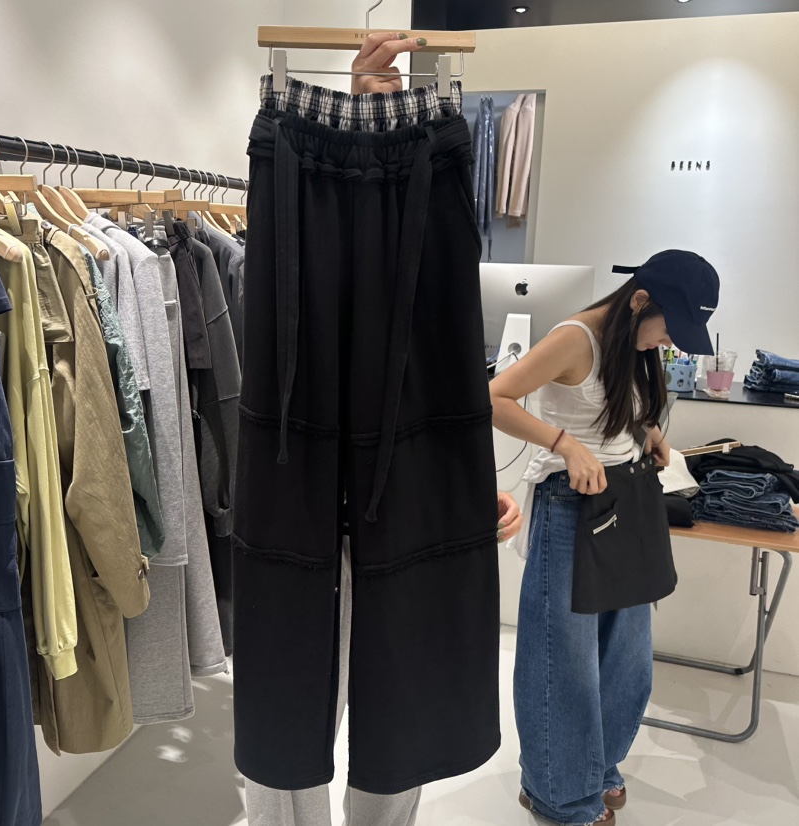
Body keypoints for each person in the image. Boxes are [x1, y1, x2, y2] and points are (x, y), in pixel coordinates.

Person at [241, 33, 523, 826]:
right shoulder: (292, 147)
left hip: (418, 162)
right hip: (296, 160)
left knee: (407, 650)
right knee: (287, 658)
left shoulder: (429, 157)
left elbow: (434, 379)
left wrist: (454, 491)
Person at [490, 250, 720, 825]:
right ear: (639, 300)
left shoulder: (629, 344)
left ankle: (592, 766)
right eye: (668, 329)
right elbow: (492, 397)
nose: (667, 343)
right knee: (563, 659)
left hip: (625, 500)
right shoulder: (576, 339)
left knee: (626, 656)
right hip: (571, 507)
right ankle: (558, 792)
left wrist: (647, 431)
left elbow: (610, 405)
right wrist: (563, 444)